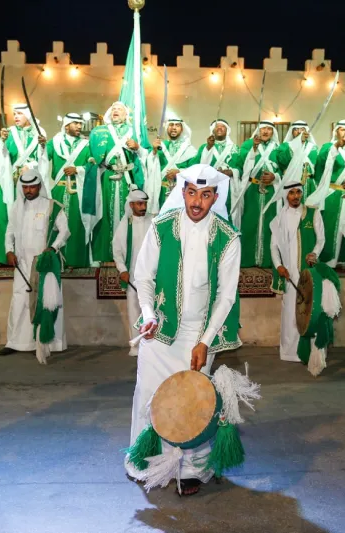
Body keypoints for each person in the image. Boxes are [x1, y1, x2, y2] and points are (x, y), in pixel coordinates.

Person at [125, 164, 242, 496]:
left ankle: (191, 469)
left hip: (198, 335)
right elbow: (143, 276)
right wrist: (147, 313)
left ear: (215, 197)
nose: (196, 202)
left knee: (193, 403)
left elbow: (227, 296)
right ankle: (146, 458)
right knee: (150, 396)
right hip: (160, 330)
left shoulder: (227, 236)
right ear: (182, 192)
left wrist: (205, 341)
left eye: (205, 195)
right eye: (191, 193)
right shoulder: (161, 227)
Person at [0, 167, 70, 362]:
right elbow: (9, 232)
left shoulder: (51, 206)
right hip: (21, 263)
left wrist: (53, 248)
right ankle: (15, 342)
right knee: (20, 300)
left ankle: (46, 342)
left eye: (32, 186)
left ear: (39, 186)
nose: (29, 190)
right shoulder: (16, 207)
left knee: (45, 301)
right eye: (25, 187)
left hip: (43, 264)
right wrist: (9, 250)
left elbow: (65, 232)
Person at [269, 180, 327, 368]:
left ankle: (312, 352)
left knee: (311, 310)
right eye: (291, 193)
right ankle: (290, 352)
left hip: (308, 273)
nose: (295, 196)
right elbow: (273, 246)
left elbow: (321, 239)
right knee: (290, 313)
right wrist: (278, 266)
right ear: (286, 195)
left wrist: (315, 253)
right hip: (289, 274)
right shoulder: (279, 219)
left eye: (298, 193)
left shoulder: (312, 213)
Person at [87, 101, 148, 263]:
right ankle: (104, 254)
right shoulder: (100, 132)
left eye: (119, 109)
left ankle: (128, 254)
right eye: (113, 108)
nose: (115, 111)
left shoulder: (134, 132)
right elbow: (92, 154)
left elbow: (147, 155)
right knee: (104, 213)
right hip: (106, 178)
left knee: (127, 213)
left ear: (126, 115)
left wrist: (137, 148)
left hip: (127, 180)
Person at [306, 120, 345, 268]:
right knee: (329, 227)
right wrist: (336, 147)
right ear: (336, 131)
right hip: (332, 194)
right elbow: (320, 164)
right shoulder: (328, 146)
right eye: (342, 129)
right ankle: (327, 260)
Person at [0, 104, 48, 265]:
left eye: (19, 114)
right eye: (14, 114)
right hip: (12, 181)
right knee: (5, 217)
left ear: (28, 115)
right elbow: (3, 157)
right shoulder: (9, 132)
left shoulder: (39, 131)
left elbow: (42, 157)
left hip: (31, 182)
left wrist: (32, 164)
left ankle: (31, 254)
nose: (16, 117)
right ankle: (5, 255)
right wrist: (2, 142)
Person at [42, 113, 93, 268]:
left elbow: (92, 165)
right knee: (56, 226)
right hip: (59, 189)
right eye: (75, 123)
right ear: (66, 125)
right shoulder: (54, 143)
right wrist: (41, 147)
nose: (79, 126)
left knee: (78, 225)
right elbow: (42, 158)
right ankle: (56, 260)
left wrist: (78, 169)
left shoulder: (86, 145)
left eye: (80, 123)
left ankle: (76, 260)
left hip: (79, 192)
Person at [233, 121, 280, 266]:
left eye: (269, 129)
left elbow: (286, 169)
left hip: (271, 191)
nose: (265, 131)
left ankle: (268, 260)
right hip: (251, 190)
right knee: (249, 222)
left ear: (273, 132)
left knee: (270, 223)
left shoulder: (279, 149)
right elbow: (239, 164)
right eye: (262, 129)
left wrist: (275, 177)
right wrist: (253, 148)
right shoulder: (248, 144)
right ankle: (247, 259)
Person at [112, 189, 153, 356]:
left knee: (151, 311)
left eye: (144, 203)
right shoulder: (125, 224)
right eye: (139, 204)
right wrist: (122, 269)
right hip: (134, 278)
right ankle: (136, 347)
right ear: (131, 205)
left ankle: (152, 347)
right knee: (134, 311)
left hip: (152, 276)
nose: (143, 207)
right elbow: (117, 250)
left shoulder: (153, 221)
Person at [144, 118, 197, 212]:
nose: (174, 127)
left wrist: (179, 172)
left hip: (181, 191)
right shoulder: (160, 146)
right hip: (161, 191)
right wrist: (154, 152)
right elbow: (149, 166)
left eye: (177, 125)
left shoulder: (189, 149)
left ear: (182, 129)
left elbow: (194, 170)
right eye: (171, 125)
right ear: (167, 128)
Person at [195, 119, 243, 215]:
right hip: (210, 187)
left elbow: (241, 168)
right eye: (217, 126)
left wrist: (232, 172)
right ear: (213, 130)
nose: (220, 128)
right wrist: (208, 148)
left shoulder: (235, 148)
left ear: (227, 130)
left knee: (227, 213)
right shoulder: (205, 147)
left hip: (229, 187)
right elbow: (198, 166)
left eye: (223, 126)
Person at [271, 120, 319, 201]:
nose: (299, 132)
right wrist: (298, 142)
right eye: (296, 129)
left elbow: (319, 168)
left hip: (310, 184)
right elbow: (283, 161)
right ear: (292, 132)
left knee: (309, 211)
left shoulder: (314, 148)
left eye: (302, 129)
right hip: (291, 183)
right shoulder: (285, 146)